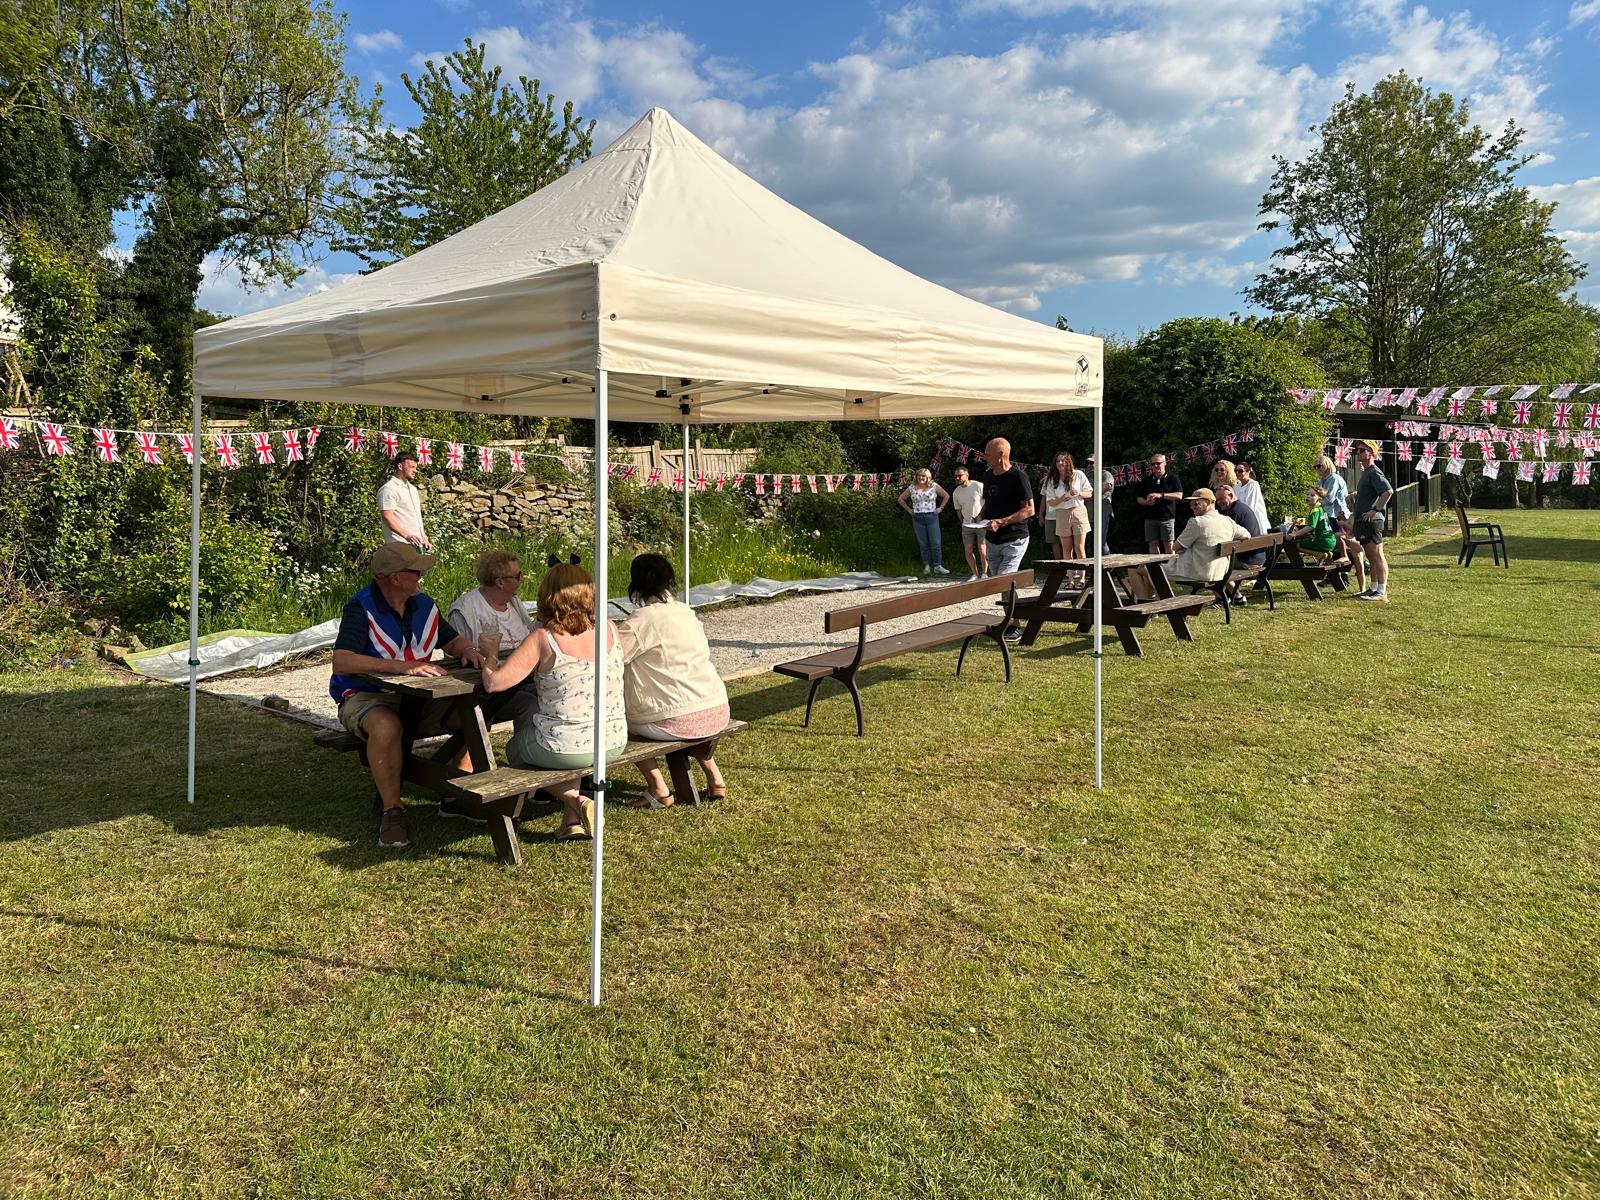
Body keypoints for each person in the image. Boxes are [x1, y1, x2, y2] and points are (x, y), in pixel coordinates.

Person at [329, 543, 486, 849]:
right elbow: (343, 661)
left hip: (420, 699)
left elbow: (451, 641)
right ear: (395, 578)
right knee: (387, 727)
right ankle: (392, 810)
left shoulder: (425, 605)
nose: (421, 577)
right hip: (367, 696)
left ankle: (457, 790)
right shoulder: (359, 608)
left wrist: (468, 651)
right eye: (416, 571)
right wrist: (406, 668)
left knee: (475, 709)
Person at [481, 561, 628, 841]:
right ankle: (571, 821)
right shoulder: (610, 628)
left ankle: (577, 799)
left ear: (547, 595)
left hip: (566, 745)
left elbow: (494, 683)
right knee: (564, 739)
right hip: (612, 741)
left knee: (516, 750)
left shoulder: (544, 638)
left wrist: (490, 653)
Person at [615, 554, 730, 807]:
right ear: (670, 580)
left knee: (617, 724)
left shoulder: (640, 622)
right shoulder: (686, 611)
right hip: (716, 708)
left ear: (636, 585)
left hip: (677, 719)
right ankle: (714, 776)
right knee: (685, 707)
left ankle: (658, 787)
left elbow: (611, 658)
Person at [447, 550, 540, 726]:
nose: (522, 580)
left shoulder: (514, 603)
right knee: (530, 705)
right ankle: (524, 750)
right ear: (500, 582)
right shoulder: (466, 610)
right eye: (518, 576)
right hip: (486, 690)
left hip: (521, 681)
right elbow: (464, 660)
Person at [980, 437, 1035, 643]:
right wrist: (979, 518)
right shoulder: (988, 475)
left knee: (1005, 580)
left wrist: (1002, 521)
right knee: (1002, 584)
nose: (984, 457)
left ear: (1000, 454)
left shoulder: (1018, 477)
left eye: (987, 454)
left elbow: (1029, 509)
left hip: (1015, 539)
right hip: (992, 539)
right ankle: (1012, 620)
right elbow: (989, 503)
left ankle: (1013, 625)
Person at [1166, 488, 1249, 589]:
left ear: (1209, 502)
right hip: (1220, 571)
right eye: (1191, 504)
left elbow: (1174, 548)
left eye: (1196, 503)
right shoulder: (1227, 521)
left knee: (1146, 569)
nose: (1192, 507)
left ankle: (1147, 603)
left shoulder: (1197, 522)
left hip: (1196, 572)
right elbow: (1247, 535)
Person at [1350, 439, 1394, 603]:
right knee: (1370, 555)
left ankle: (1382, 592)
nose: (1358, 452)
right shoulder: (1367, 472)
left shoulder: (1374, 472)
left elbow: (1388, 491)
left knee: (1377, 556)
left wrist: (1375, 509)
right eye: (1358, 450)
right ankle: (1374, 588)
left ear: (1371, 453)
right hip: (1364, 522)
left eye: (1362, 450)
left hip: (1372, 521)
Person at [1316, 454, 1363, 592]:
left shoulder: (1334, 479)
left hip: (1339, 515)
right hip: (1328, 515)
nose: (1317, 468)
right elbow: (1316, 494)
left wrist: (1317, 500)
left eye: (1319, 465)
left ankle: (1348, 572)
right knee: (1335, 544)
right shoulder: (1322, 480)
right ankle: (1336, 576)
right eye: (1315, 466)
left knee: (1341, 542)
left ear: (1327, 465)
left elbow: (1329, 499)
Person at [1214, 481, 1266, 606]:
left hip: (1249, 561)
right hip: (1256, 557)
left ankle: (1228, 598)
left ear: (1231, 496)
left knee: (1212, 563)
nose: (1219, 502)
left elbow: (1226, 538)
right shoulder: (1240, 508)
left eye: (1222, 499)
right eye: (1217, 500)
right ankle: (1233, 597)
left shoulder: (1234, 512)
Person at [1039, 451, 1092, 571]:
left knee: (1079, 547)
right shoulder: (1052, 479)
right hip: (1061, 513)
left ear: (1068, 462)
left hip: (1078, 511)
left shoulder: (1078, 474)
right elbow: (1050, 502)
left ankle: (1082, 577)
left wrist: (1079, 493)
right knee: (1066, 548)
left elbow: (1089, 493)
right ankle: (1070, 578)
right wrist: (1062, 499)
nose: (1060, 463)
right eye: (1058, 461)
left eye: (1063, 460)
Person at [897, 468, 950, 576]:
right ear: (916, 477)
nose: (921, 478)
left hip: (932, 516)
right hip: (917, 517)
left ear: (928, 477)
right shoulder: (911, 488)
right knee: (923, 543)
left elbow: (946, 496)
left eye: (923, 476)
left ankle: (937, 566)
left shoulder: (934, 486)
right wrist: (909, 510)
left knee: (935, 542)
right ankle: (926, 566)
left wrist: (940, 508)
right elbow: (900, 499)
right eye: (919, 475)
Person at [1133, 453, 1183, 554]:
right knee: (1152, 544)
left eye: (1158, 463)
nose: (1155, 466)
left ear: (1165, 463)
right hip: (1150, 518)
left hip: (1167, 517)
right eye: (1153, 464)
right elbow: (1139, 498)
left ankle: (1171, 568)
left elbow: (1179, 495)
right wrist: (1146, 502)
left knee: (1169, 544)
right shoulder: (1147, 480)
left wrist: (1161, 495)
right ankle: (1155, 568)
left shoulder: (1173, 478)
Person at [949, 465, 988, 579]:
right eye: (955, 476)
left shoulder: (978, 485)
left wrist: (981, 515)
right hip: (967, 524)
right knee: (968, 549)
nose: (957, 478)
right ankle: (975, 574)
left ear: (967, 475)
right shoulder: (956, 492)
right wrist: (961, 521)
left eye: (960, 475)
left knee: (982, 549)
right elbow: (958, 509)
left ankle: (984, 573)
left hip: (982, 523)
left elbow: (988, 501)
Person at [1293, 486, 1340, 558]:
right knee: (1308, 539)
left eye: (1312, 495)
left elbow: (1311, 526)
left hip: (1322, 542)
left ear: (1320, 499)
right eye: (1307, 494)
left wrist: (1295, 534)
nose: (1308, 496)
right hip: (1332, 541)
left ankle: (1319, 554)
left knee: (1297, 545)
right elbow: (1311, 523)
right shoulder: (1321, 509)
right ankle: (1324, 554)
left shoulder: (1315, 510)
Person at [1234, 461, 1270, 531]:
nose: (1238, 473)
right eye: (1236, 470)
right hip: (1241, 522)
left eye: (1241, 471)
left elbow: (1251, 505)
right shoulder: (1236, 487)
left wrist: (1243, 520)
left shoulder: (1253, 485)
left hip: (1255, 521)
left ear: (1248, 472)